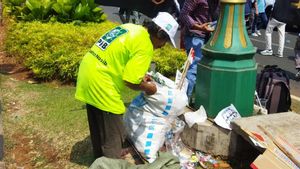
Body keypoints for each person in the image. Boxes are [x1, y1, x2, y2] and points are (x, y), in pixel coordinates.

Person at [75, 12, 179, 159]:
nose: (162, 46)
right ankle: (110, 161)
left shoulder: (132, 28)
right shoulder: (146, 45)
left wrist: (139, 76)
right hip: (102, 81)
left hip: (88, 71)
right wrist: (150, 88)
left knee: (99, 125)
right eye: (165, 42)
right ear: (160, 34)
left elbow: (121, 57)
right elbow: (130, 81)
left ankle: (99, 160)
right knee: (113, 133)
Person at [179, 0, 219, 100]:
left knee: (207, 70)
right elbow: (183, 15)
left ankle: (198, 99)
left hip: (211, 36)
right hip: (195, 35)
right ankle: (184, 102)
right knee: (193, 69)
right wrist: (200, 27)